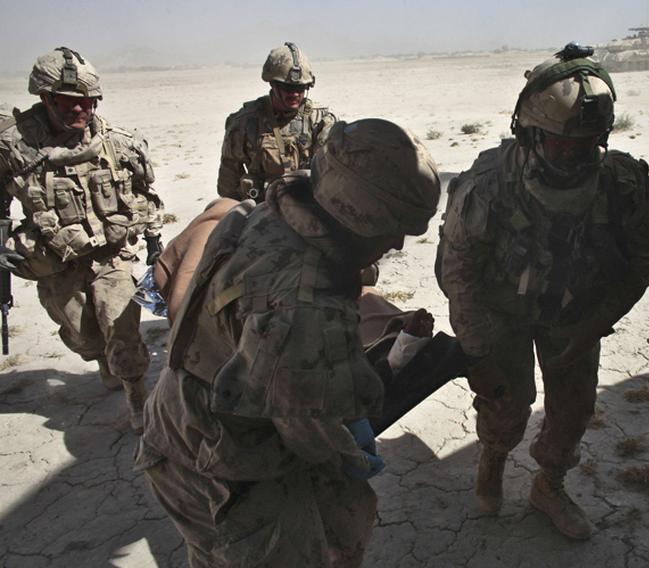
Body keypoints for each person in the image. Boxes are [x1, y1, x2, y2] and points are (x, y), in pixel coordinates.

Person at [137, 119, 440, 567]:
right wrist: (352, 456)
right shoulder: (303, 307)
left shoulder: (271, 210)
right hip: (223, 463)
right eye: (391, 227)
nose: (395, 242)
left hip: (180, 420)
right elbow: (310, 433)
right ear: (356, 214)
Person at [437, 43, 649, 540]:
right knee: (506, 405)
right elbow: (460, 273)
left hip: (576, 313)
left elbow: (642, 261)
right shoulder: (489, 183)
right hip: (502, 314)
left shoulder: (619, 182)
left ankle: (549, 484)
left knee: (574, 409)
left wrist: (594, 322)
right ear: (530, 133)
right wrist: (479, 353)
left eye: (589, 142)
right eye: (562, 141)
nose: (576, 154)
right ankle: (493, 458)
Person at [0, 47, 164, 432]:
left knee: (121, 328)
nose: (81, 110)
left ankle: (137, 397)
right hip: (57, 261)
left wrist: (154, 242)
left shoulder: (117, 144)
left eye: (88, 103)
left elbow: (147, 194)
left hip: (112, 255)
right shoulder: (13, 148)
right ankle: (101, 357)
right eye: (69, 103)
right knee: (84, 335)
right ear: (45, 99)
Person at [217, 42, 336, 202]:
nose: (295, 94)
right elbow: (228, 183)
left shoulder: (319, 121)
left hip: (307, 206)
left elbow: (333, 174)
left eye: (301, 88)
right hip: (259, 209)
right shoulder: (245, 122)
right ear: (273, 84)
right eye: (287, 87)